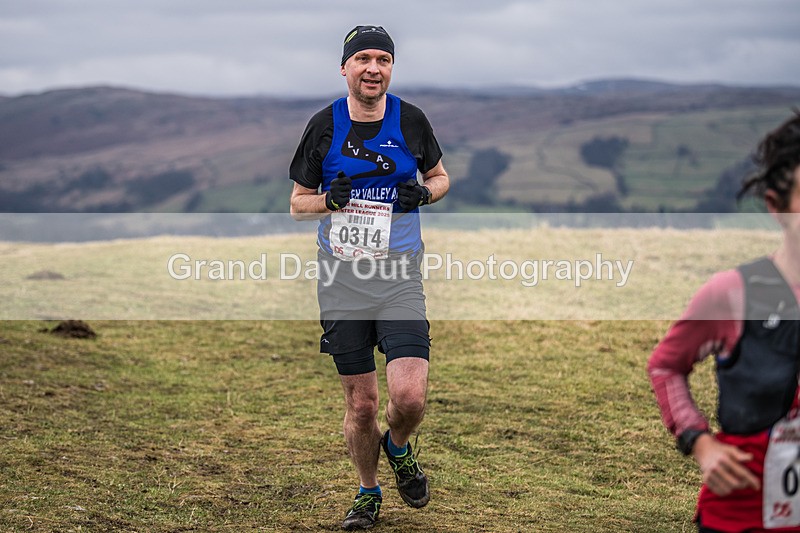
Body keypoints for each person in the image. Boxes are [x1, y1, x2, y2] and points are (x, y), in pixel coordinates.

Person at [288, 25, 450, 530]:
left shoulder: (411, 120)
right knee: (362, 406)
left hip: (399, 276)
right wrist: (328, 201)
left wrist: (424, 195)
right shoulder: (324, 126)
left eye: (383, 59)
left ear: (391, 68)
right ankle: (368, 492)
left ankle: (398, 447)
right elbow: (297, 204)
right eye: (363, 59)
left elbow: (440, 177)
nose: (373, 68)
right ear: (345, 68)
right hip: (342, 282)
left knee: (410, 398)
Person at [648, 111, 800, 533]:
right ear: (776, 207)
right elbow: (665, 366)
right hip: (741, 518)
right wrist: (700, 442)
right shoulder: (733, 294)